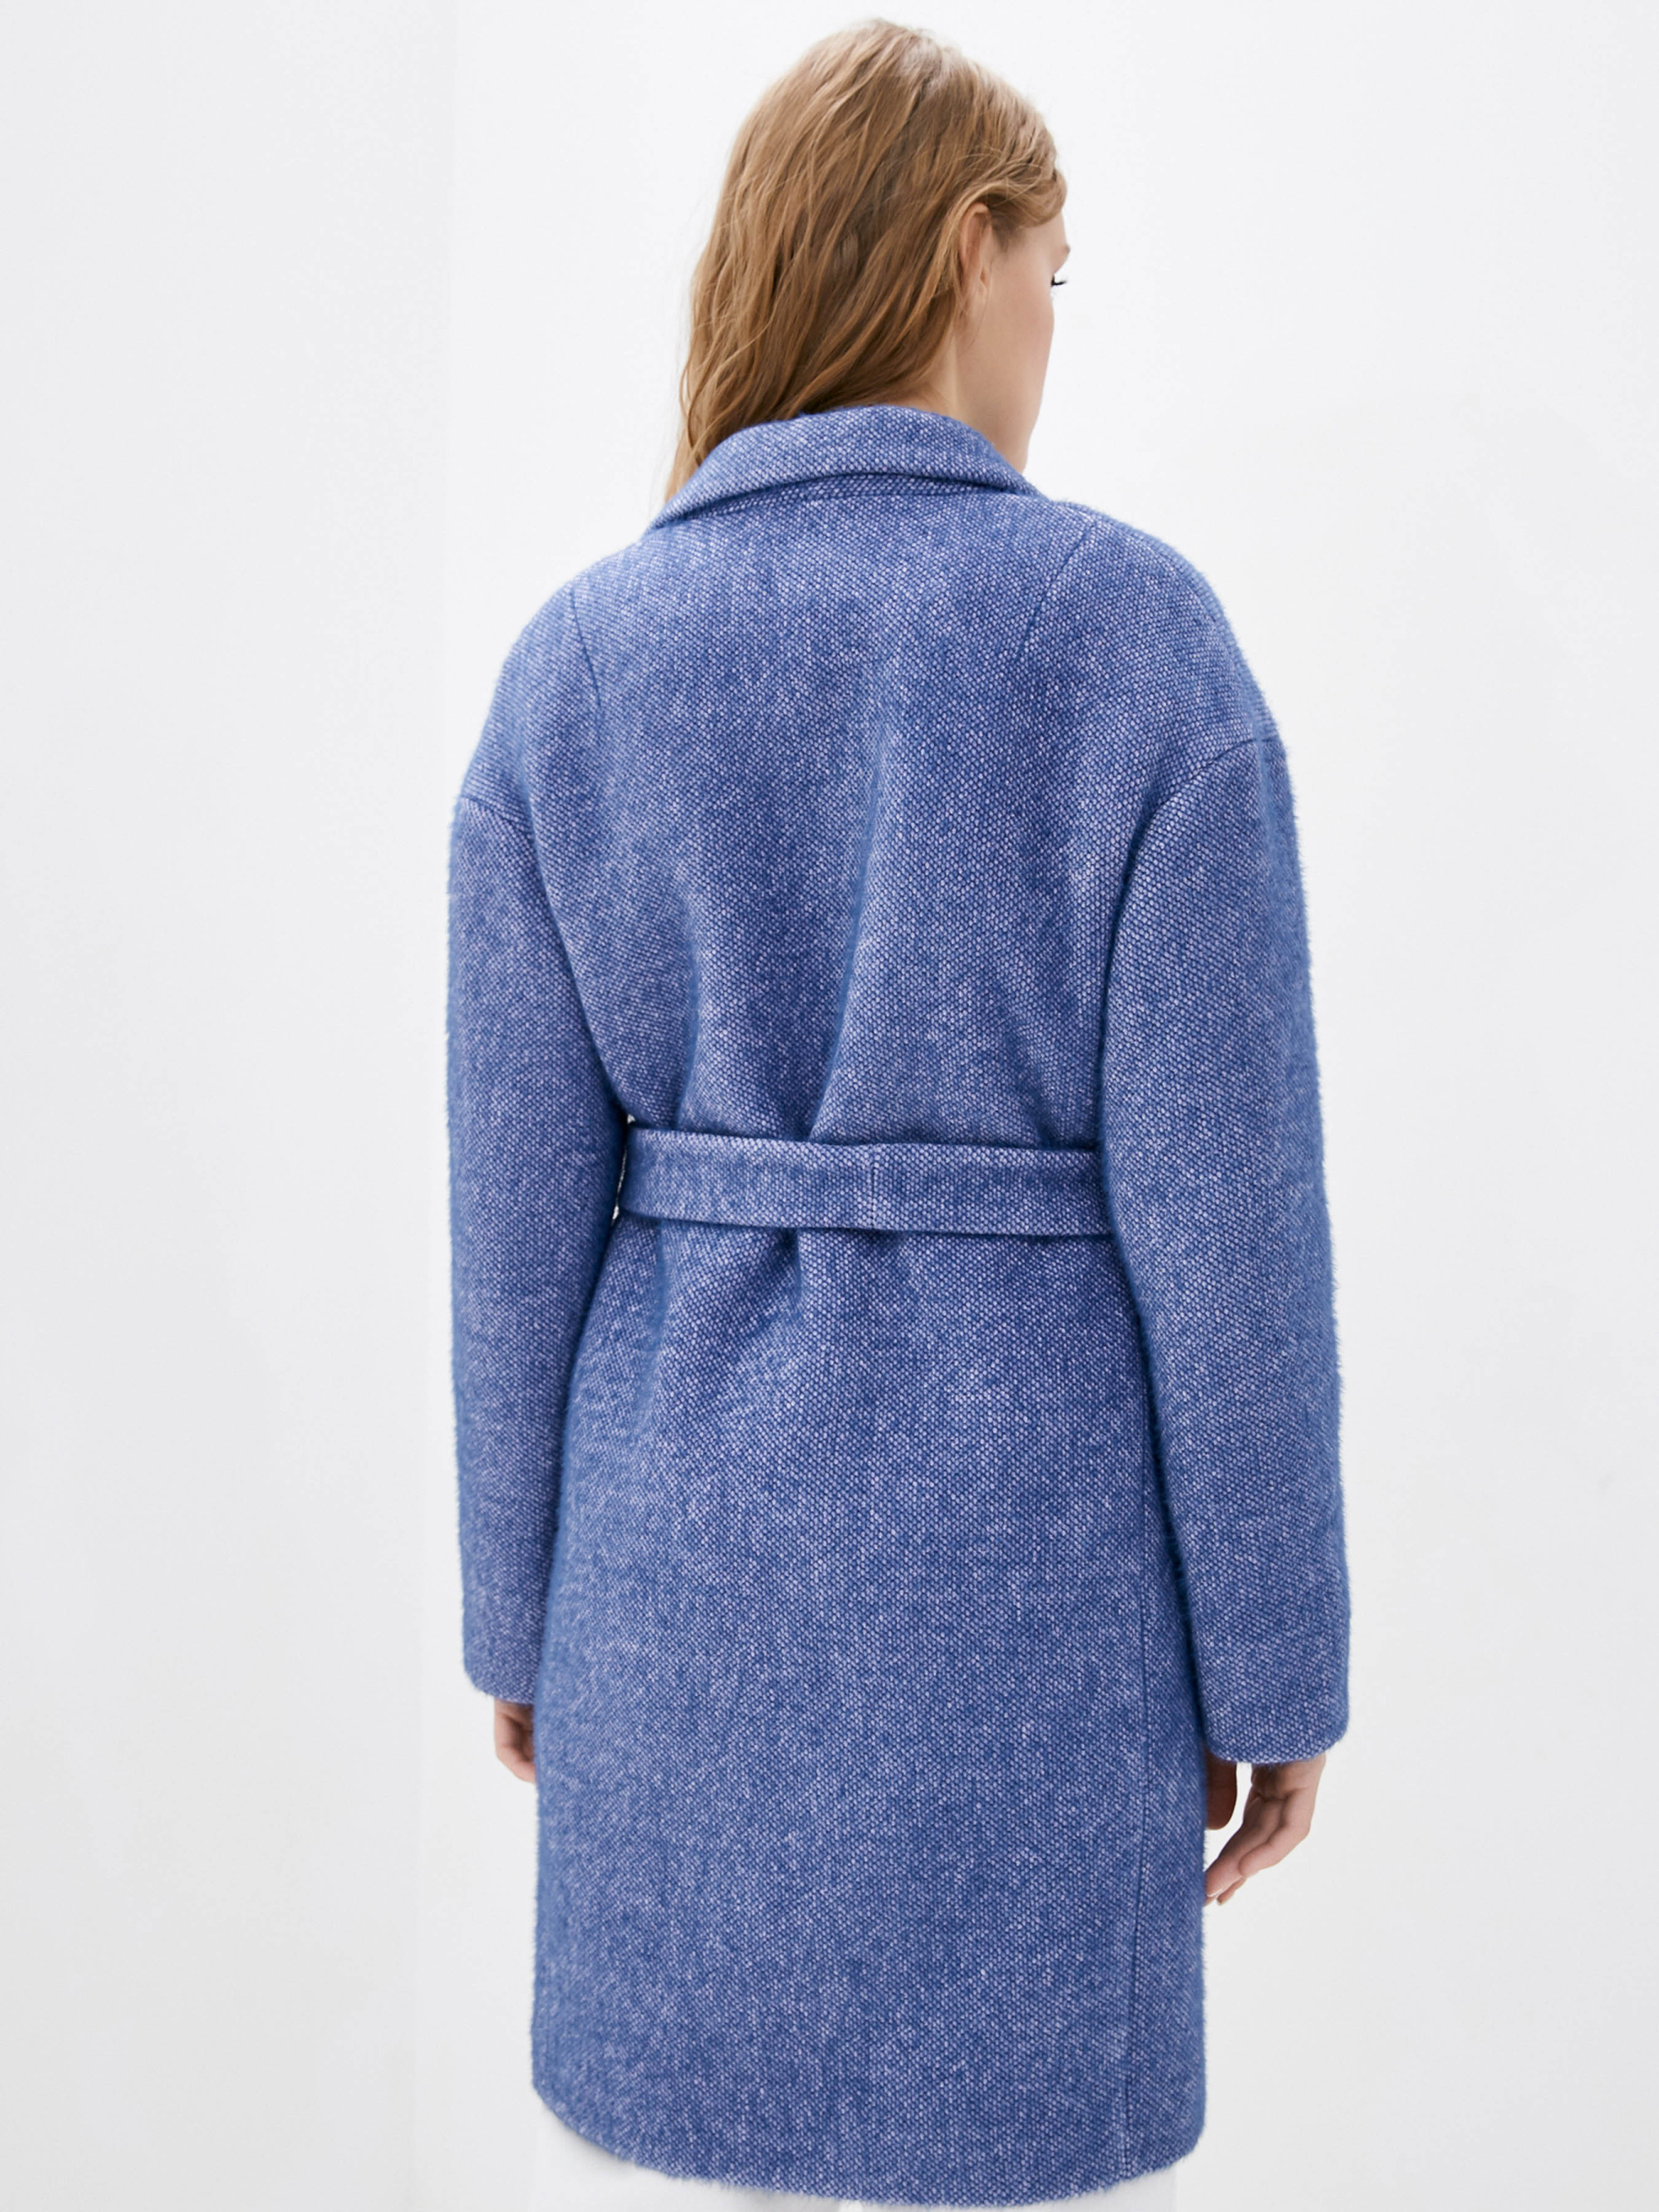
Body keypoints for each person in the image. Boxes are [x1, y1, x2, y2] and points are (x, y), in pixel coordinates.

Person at [446, 20, 1350, 2211]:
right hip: (1037, 1620)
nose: (1054, 324)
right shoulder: (1138, 644)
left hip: (671, 1600)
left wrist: (517, 1614)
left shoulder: (574, 670)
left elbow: (509, 1228)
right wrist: (1276, 1663)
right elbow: (1231, 1228)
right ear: (967, 250)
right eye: (1056, 270)